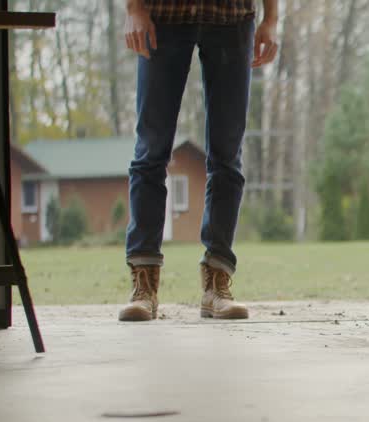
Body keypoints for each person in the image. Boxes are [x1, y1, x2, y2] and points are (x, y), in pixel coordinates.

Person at [118, 0, 279, 322]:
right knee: (151, 150)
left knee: (227, 155)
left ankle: (216, 285)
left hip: (231, 16)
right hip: (164, 15)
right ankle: (144, 286)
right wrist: (134, 8)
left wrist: (271, 18)